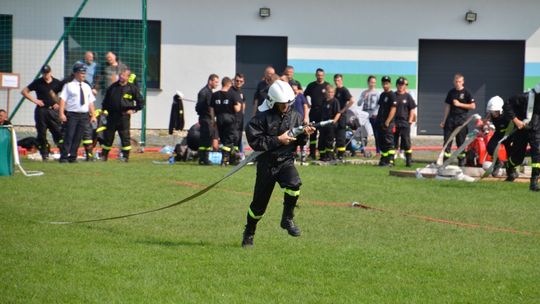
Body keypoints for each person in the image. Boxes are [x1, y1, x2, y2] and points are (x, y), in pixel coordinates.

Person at [242, 80, 315, 247]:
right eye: (283, 104)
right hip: (266, 165)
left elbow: (300, 142)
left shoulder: (295, 116)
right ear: (273, 102)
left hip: (286, 162)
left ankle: (287, 219)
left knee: (294, 184)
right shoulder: (260, 119)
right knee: (258, 207)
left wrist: (306, 134)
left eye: (289, 103)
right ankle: (249, 233)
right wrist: (278, 140)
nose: (286, 107)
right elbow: (256, 142)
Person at [100, 68, 144, 162]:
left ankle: (125, 157)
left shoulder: (132, 88)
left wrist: (134, 110)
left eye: (124, 75)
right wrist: (104, 110)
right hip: (112, 116)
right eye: (120, 75)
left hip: (124, 117)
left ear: (128, 77)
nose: (121, 77)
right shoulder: (112, 87)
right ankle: (104, 156)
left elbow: (141, 102)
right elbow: (106, 101)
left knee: (125, 137)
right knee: (108, 137)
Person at [21, 64, 64, 161]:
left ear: (50, 72)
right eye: (44, 73)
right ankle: (44, 154)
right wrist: (35, 100)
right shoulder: (38, 82)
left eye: (47, 73)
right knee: (41, 133)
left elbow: (65, 95)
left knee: (57, 132)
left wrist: (59, 104)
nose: (46, 75)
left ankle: (63, 152)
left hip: (53, 111)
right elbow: (24, 91)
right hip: (41, 111)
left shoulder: (57, 82)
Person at [503, 83, 540, 191]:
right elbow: (506, 105)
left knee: (537, 156)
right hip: (521, 131)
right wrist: (516, 121)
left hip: (536, 131)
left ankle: (534, 182)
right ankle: (509, 166)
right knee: (517, 159)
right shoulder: (524, 97)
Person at [58, 63, 97, 163]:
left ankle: (73, 157)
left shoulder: (86, 86)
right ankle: (64, 157)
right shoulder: (69, 86)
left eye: (84, 73)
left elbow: (90, 102)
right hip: (72, 114)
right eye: (81, 73)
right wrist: (61, 113)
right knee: (69, 135)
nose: (83, 75)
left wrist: (93, 115)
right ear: (75, 73)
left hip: (83, 115)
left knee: (78, 137)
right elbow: (62, 100)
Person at [440, 73, 476, 167]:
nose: (458, 83)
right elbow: (447, 106)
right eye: (456, 81)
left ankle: (461, 161)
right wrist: (444, 120)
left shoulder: (467, 92)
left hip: (462, 119)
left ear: (463, 82)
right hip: (450, 119)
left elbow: (473, 106)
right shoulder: (451, 92)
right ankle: (445, 161)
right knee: (447, 141)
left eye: (459, 81)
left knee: (461, 141)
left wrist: (460, 104)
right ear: (453, 82)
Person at [209, 77, 242, 165]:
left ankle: (232, 158)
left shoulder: (215, 95)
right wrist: (239, 103)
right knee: (228, 141)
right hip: (230, 119)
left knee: (224, 140)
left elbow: (211, 109)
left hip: (219, 119)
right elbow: (237, 109)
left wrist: (213, 120)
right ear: (229, 84)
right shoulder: (232, 94)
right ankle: (225, 160)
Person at [304, 68, 330, 159]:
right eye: (318, 75)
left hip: (323, 113)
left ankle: (323, 154)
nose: (320, 77)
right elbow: (304, 96)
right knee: (312, 133)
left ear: (324, 75)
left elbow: (331, 98)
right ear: (316, 75)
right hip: (314, 112)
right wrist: (307, 104)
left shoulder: (327, 86)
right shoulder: (311, 85)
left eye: (321, 75)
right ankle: (312, 154)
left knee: (323, 134)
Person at [195, 74, 220, 165]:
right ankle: (203, 159)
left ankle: (204, 158)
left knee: (207, 138)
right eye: (216, 82)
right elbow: (204, 107)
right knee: (206, 138)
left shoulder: (208, 92)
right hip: (206, 118)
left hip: (206, 118)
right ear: (210, 81)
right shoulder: (205, 92)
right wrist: (212, 117)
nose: (217, 84)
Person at [483, 96, 510, 175]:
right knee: (490, 147)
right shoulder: (491, 114)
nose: (493, 114)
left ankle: (511, 171)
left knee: (510, 153)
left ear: (500, 110)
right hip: (499, 133)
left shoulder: (507, 115)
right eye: (492, 111)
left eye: (495, 111)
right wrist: (484, 124)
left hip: (509, 135)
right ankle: (498, 163)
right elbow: (486, 119)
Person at [393, 77, 417, 167]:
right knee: (394, 142)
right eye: (399, 84)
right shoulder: (393, 95)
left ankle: (408, 161)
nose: (400, 86)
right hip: (394, 122)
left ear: (404, 86)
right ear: (396, 85)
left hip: (405, 122)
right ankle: (392, 160)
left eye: (402, 84)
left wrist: (410, 120)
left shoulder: (408, 96)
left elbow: (412, 109)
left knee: (406, 142)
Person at [376, 76, 397, 166]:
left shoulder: (392, 95)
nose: (385, 85)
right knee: (382, 141)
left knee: (388, 141)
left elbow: (393, 109)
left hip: (388, 123)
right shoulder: (382, 95)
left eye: (387, 83)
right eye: (384, 83)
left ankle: (391, 160)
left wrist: (388, 121)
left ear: (390, 84)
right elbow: (381, 108)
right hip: (381, 121)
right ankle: (384, 159)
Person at [318, 84, 341, 161]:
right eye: (329, 92)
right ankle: (322, 156)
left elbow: (338, 113)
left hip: (331, 125)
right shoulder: (324, 101)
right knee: (321, 140)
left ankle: (329, 156)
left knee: (329, 141)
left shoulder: (335, 101)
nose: (330, 94)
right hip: (323, 124)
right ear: (326, 92)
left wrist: (334, 121)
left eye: (332, 92)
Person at [358, 75, 381, 154]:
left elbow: (379, 105)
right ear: (368, 82)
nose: (372, 84)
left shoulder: (377, 93)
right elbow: (358, 103)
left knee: (376, 133)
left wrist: (376, 113)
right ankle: (362, 149)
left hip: (373, 115)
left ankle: (378, 151)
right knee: (363, 133)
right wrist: (363, 97)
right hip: (365, 115)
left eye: (374, 82)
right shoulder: (364, 92)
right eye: (371, 82)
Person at [334, 74, 354, 160]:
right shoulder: (335, 90)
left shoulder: (344, 90)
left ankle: (341, 155)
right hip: (335, 116)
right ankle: (336, 153)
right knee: (335, 134)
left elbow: (352, 100)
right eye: (335, 80)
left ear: (341, 80)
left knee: (341, 135)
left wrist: (344, 109)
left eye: (338, 80)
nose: (337, 82)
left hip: (342, 116)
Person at [291, 81, 309, 162]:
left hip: (301, 120)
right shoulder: (288, 97)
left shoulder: (301, 96)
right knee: (293, 138)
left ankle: (303, 155)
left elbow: (305, 106)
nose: (294, 90)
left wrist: (306, 117)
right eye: (292, 89)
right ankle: (293, 156)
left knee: (303, 137)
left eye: (295, 89)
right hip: (292, 121)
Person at [232, 73, 246, 159]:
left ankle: (237, 157)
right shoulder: (231, 91)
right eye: (237, 81)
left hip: (240, 120)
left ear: (243, 82)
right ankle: (232, 157)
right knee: (233, 140)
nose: (238, 83)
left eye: (241, 81)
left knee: (238, 139)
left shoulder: (241, 93)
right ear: (234, 81)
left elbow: (243, 105)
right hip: (232, 120)